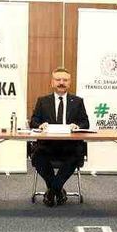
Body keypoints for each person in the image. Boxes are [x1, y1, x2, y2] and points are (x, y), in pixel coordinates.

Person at [30, 67, 89, 207]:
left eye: (65, 80)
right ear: (52, 82)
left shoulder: (78, 101)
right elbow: (33, 121)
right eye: (58, 80)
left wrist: (77, 126)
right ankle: (58, 190)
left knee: (76, 156)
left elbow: (85, 122)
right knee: (37, 156)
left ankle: (52, 191)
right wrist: (40, 125)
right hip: (47, 146)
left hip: (70, 147)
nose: (61, 82)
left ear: (70, 82)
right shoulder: (42, 101)